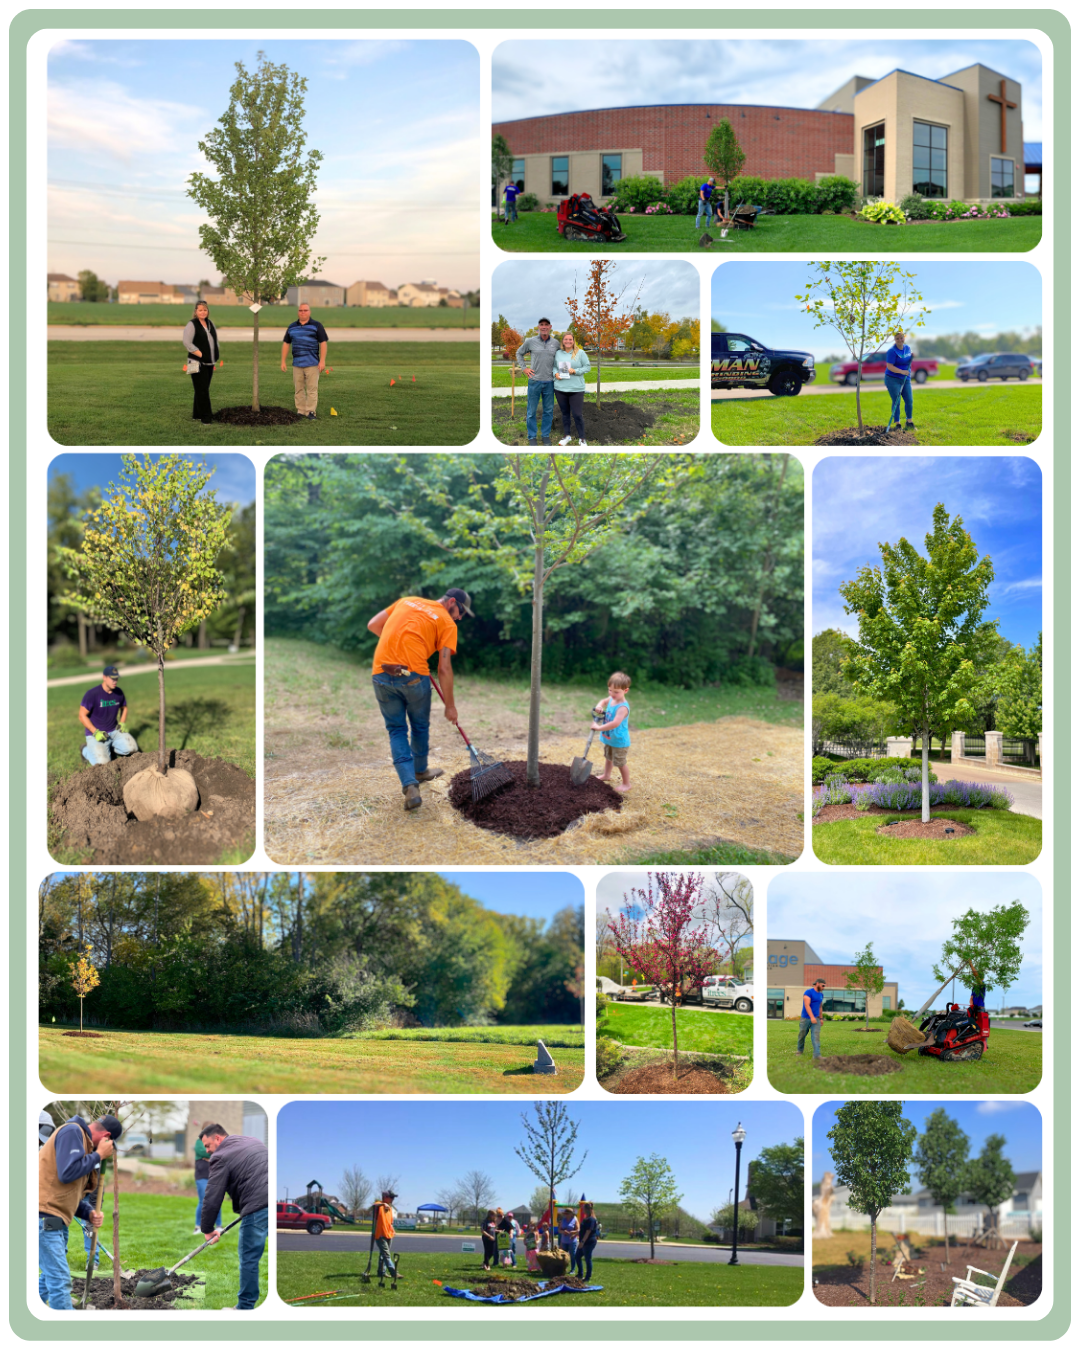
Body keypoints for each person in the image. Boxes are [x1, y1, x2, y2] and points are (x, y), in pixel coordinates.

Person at [366, 589, 473, 811]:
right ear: (452, 602)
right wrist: (450, 706)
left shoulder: (407, 601)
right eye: (460, 611)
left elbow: (374, 625)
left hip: (381, 672)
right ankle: (419, 770)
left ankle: (410, 784)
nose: (460, 617)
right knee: (419, 725)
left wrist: (401, 647)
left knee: (396, 730)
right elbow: (444, 668)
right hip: (414, 677)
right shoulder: (447, 623)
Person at [38, 1112, 120, 1309]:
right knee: (60, 1278)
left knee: (52, 1274)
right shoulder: (73, 1132)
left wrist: (88, 1212)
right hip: (44, 1217)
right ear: (107, 1137)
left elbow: (69, 1191)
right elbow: (67, 1173)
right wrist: (99, 1155)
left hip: (54, 1218)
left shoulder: (82, 1144)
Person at [199, 1123, 269, 1311]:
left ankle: (244, 1308)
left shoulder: (220, 1156)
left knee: (248, 1258)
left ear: (218, 1139)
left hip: (257, 1206)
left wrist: (207, 1229)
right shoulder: (253, 1141)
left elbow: (213, 1196)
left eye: (207, 1146)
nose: (207, 1151)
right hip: (272, 1204)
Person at [79, 665, 138, 765]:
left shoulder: (118, 692)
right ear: (104, 677)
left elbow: (124, 707)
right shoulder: (92, 694)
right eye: (112, 678)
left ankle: (109, 748)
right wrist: (95, 732)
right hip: (95, 734)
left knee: (132, 749)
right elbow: (82, 715)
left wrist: (122, 723)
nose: (115, 681)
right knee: (103, 764)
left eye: (116, 678)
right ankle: (85, 750)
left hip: (114, 731)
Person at [516, 318, 561, 445]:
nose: (544, 327)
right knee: (531, 411)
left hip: (549, 382)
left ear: (550, 327)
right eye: (542, 325)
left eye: (546, 325)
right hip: (534, 381)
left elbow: (561, 358)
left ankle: (545, 435)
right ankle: (532, 436)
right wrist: (524, 369)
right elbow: (519, 353)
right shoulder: (530, 341)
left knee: (548, 411)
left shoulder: (556, 343)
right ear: (538, 327)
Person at [281, 302, 329, 420]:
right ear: (298, 312)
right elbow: (286, 343)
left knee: (312, 389)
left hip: (312, 364)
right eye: (301, 310)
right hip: (297, 364)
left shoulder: (317, 326)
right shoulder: (292, 327)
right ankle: (301, 411)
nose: (303, 312)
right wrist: (283, 361)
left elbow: (323, 343)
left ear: (309, 312)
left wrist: (322, 361)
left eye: (305, 310)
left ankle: (311, 412)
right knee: (299, 389)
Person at [592, 670, 632, 793]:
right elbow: (603, 701)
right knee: (608, 757)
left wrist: (598, 728)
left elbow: (615, 723)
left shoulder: (622, 708)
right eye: (610, 690)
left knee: (620, 762)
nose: (612, 693)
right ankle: (606, 775)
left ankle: (626, 784)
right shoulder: (612, 699)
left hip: (619, 740)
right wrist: (599, 706)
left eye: (616, 692)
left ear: (625, 690)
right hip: (610, 738)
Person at [182, 300, 219, 425]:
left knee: (201, 389)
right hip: (195, 362)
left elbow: (214, 341)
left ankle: (197, 414)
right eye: (200, 310)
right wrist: (201, 354)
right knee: (202, 390)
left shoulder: (210, 323)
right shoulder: (192, 324)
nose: (203, 312)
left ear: (208, 311)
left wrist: (214, 356)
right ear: (195, 312)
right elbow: (187, 342)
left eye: (205, 310)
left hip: (209, 363)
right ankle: (206, 418)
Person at [554, 331, 591, 446]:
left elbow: (587, 367)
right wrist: (555, 374)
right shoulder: (558, 353)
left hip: (576, 389)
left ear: (573, 341)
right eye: (566, 339)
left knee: (577, 414)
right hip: (560, 388)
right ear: (563, 341)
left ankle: (582, 438)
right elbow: (554, 367)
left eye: (570, 339)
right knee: (565, 413)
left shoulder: (580, 353)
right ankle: (567, 436)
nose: (568, 341)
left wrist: (576, 371)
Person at [884, 329, 916, 433]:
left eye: (901, 337)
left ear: (904, 338)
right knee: (897, 400)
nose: (899, 340)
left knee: (909, 400)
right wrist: (902, 372)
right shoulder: (891, 351)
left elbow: (907, 358)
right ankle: (897, 424)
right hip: (892, 379)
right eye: (897, 338)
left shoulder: (907, 348)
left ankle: (909, 422)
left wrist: (912, 356)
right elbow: (890, 366)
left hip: (905, 378)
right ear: (894, 339)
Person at [193, 1131, 223, 1235]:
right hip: (201, 1176)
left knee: (216, 1200)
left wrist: (210, 1157)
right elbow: (204, 1152)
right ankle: (198, 1226)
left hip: (214, 1176)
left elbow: (220, 1153)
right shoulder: (198, 1142)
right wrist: (211, 1154)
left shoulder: (216, 1142)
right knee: (203, 1201)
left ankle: (219, 1226)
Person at [372, 1189, 398, 1282]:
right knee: (386, 1254)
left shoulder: (390, 1208)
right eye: (391, 1197)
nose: (392, 1199)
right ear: (385, 1197)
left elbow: (390, 1222)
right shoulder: (379, 1205)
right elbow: (374, 1205)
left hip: (389, 1234)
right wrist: (383, 1204)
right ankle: (393, 1272)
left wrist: (392, 1228)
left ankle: (381, 1272)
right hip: (380, 1234)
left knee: (383, 1255)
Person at [797, 977, 827, 1059]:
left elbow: (820, 1006)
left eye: (824, 986)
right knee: (802, 1035)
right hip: (806, 1018)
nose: (824, 988)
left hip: (816, 1018)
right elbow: (807, 1005)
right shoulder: (808, 992)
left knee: (816, 1036)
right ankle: (799, 1050)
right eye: (823, 986)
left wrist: (821, 1018)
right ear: (817, 983)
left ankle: (817, 1055)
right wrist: (811, 1017)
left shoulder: (821, 994)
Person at [575, 1202, 599, 1281]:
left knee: (587, 1258)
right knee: (577, 1256)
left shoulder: (591, 1219)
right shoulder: (585, 1219)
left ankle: (587, 1277)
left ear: (587, 1209)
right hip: (584, 1241)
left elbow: (588, 1232)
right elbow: (582, 1230)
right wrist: (575, 1234)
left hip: (589, 1242)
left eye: (583, 1209)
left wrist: (582, 1242)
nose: (582, 1210)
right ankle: (580, 1274)